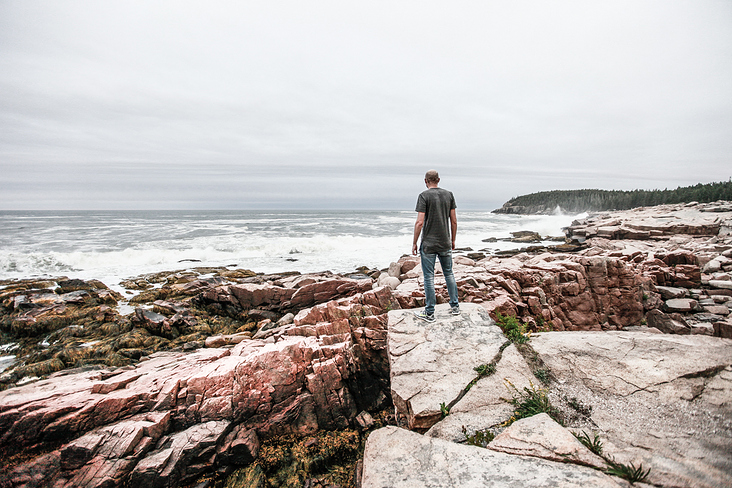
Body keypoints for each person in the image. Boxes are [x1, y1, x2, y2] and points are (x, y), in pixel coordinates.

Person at [412, 169, 460, 322]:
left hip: (429, 244)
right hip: (445, 241)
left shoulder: (424, 196)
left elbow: (420, 222)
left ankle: (430, 313)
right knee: (449, 273)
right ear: (438, 179)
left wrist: (414, 242)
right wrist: (452, 239)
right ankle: (455, 307)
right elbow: (453, 221)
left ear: (425, 181)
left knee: (428, 278)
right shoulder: (449, 195)